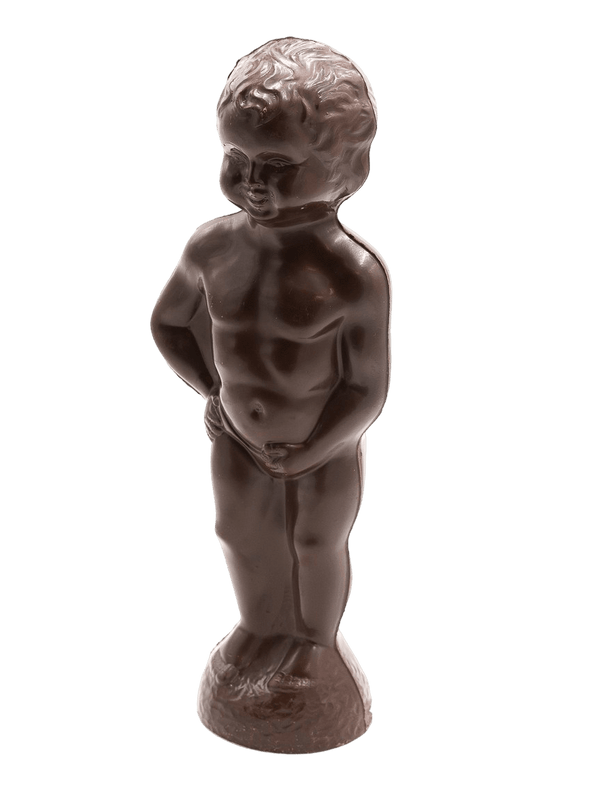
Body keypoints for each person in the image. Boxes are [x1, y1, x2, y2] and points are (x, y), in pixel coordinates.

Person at [150, 37, 391, 689]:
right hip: (235, 435)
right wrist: (211, 391)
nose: (253, 181)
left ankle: (313, 642)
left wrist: (316, 448)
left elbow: (366, 388)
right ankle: (260, 625)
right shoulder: (211, 247)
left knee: (314, 542)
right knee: (240, 530)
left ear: (344, 167)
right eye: (237, 158)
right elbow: (168, 324)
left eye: (278, 164)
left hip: (324, 447)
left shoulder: (352, 272)